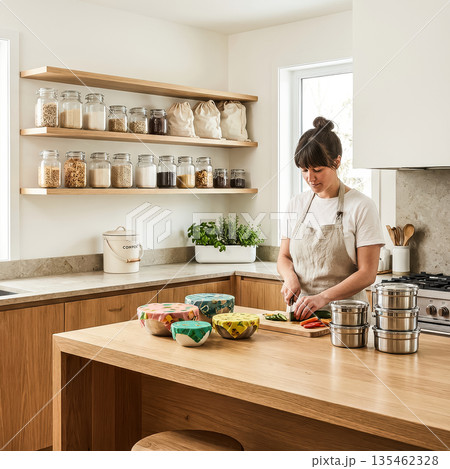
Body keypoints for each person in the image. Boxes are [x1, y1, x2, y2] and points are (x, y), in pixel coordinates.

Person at [277, 116, 384, 320]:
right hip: (300, 315)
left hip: (348, 320)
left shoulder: (361, 206)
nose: (310, 177)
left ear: (336, 162)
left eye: (317, 170)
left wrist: (322, 298)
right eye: (304, 170)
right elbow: (284, 257)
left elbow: (368, 273)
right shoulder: (296, 204)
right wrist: (289, 278)